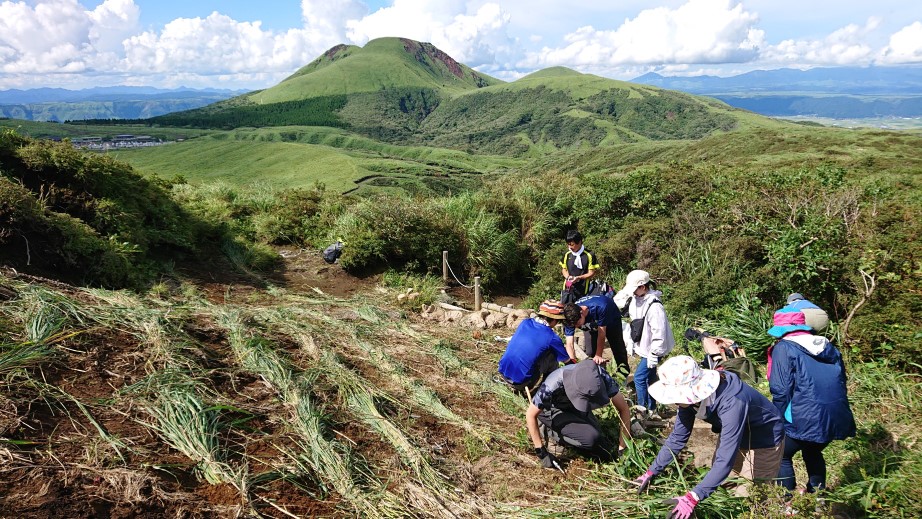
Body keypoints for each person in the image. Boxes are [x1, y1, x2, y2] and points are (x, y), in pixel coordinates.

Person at [633, 356, 785, 519]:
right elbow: (678, 437)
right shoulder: (688, 402)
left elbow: (724, 460)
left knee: (749, 499)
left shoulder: (732, 402)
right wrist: (651, 471)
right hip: (734, 436)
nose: (674, 402)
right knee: (725, 485)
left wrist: (693, 497)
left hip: (764, 441)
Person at [767, 307, 856, 494]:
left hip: (807, 417)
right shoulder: (827, 346)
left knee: (782, 454)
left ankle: (787, 504)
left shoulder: (784, 348)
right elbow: (842, 381)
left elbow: (780, 390)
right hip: (837, 415)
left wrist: (777, 419)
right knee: (813, 450)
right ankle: (818, 498)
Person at [525, 359, 632, 467]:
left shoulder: (600, 375)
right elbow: (530, 414)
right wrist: (541, 452)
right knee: (591, 438)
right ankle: (551, 432)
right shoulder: (552, 385)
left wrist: (623, 447)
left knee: (601, 445)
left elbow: (624, 409)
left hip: (573, 407)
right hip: (552, 410)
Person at [620, 270, 675, 419]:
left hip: (655, 348)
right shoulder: (637, 300)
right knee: (650, 378)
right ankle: (653, 409)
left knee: (638, 377)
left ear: (643, 287)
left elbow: (659, 333)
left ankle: (642, 411)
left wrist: (654, 353)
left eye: (635, 289)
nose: (633, 293)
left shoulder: (655, 307)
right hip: (645, 345)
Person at [498, 300, 576, 395]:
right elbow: (567, 361)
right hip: (521, 382)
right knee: (552, 356)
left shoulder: (525, 323)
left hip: (503, 372)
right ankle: (545, 391)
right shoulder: (552, 337)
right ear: (554, 320)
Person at [562, 294, 629, 375]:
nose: (576, 327)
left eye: (577, 324)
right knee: (590, 352)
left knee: (617, 347)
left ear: (582, 312)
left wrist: (598, 355)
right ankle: (596, 376)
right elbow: (569, 344)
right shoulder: (569, 316)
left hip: (611, 317)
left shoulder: (601, 307)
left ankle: (623, 374)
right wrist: (572, 364)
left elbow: (602, 334)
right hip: (592, 323)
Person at [559, 230, 599, 304]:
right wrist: (568, 277)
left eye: (572, 244)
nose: (570, 247)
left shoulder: (589, 255)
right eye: (568, 244)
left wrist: (578, 278)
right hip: (568, 289)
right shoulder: (567, 254)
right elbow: (564, 269)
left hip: (583, 289)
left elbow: (592, 273)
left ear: (579, 242)